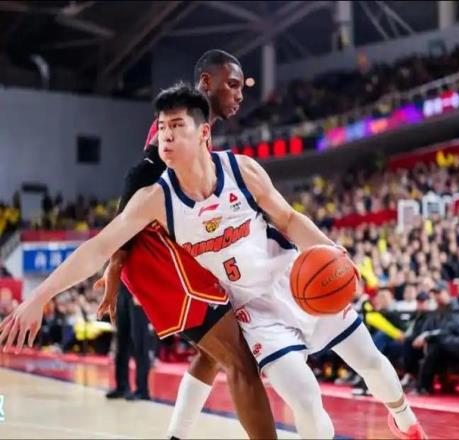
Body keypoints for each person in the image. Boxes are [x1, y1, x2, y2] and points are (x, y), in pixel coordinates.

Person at [0, 84, 426, 440]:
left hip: (293, 278)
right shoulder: (154, 199)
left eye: (177, 126)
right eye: (161, 128)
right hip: (256, 314)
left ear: (204, 133)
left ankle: (405, 422)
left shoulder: (242, 171)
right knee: (306, 398)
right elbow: (96, 248)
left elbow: (289, 219)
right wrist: (39, 296)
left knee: (373, 365)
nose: (165, 137)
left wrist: (330, 249)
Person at [94, 49, 276, 439]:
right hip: (153, 254)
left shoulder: (198, 127)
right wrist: (115, 265)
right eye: (232, 84)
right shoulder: (179, 122)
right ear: (206, 83)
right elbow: (137, 180)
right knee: (240, 360)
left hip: (164, 251)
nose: (240, 94)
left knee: (211, 354)